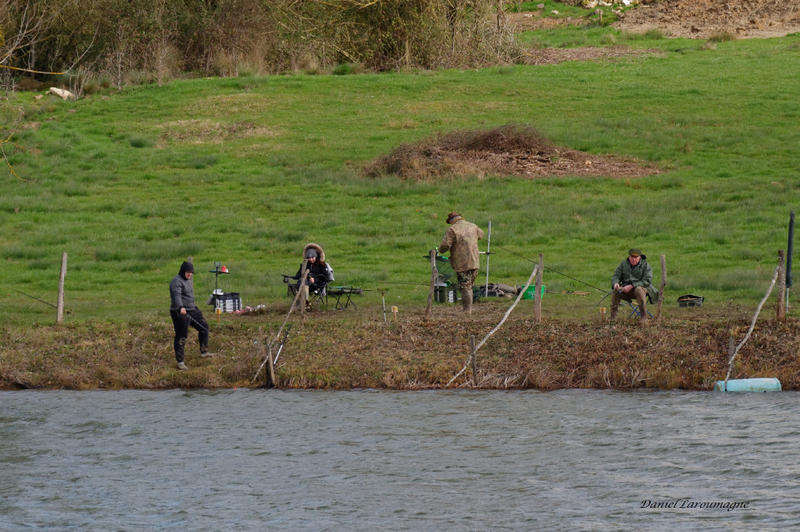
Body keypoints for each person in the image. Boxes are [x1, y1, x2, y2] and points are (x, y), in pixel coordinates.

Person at [169, 261, 214, 370]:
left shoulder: (188, 280)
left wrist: (194, 307)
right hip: (179, 311)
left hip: (192, 309)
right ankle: (180, 362)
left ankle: (204, 351)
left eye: (191, 273)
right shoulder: (176, 281)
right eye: (188, 272)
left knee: (204, 328)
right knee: (182, 336)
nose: (190, 274)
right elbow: (177, 296)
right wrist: (181, 307)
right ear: (183, 271)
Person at [438, 212, 484, 314]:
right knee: (469, 285)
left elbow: (445, 245)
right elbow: (481, 235)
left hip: (462, 263)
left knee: (465, 287)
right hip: (475, 261)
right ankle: (467, 309)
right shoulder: (473, 226)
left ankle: (467, 311)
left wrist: (439, 250)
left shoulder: (453, 229)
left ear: (452, 220)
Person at [610, 248, 656, 324]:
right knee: (616, 291)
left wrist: (632, 286)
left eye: (636, 258)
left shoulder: (646, 265)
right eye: (632, 257)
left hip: (643, 289)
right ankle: (613, 319)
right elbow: (616, 276)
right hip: (626, 289)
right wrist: (615, 283)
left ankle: (644, 318)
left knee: (638, 289)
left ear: (640, 257)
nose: (634, 260)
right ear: (629, 257)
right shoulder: (623, 264)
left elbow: (647, 281)